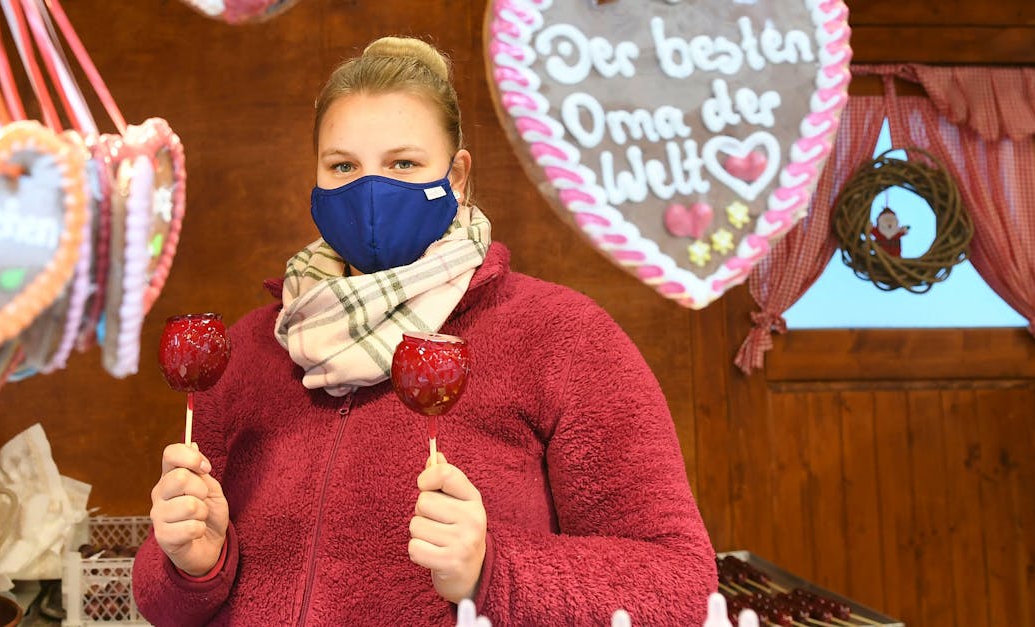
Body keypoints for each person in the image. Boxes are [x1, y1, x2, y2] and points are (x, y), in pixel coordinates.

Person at [132, 36, 716, 626]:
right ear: (314, 180)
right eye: (343, 166)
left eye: (403, 164)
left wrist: (494, 571)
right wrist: (191, 566)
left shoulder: (563, 337)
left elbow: (679, 584)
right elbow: (162, 601)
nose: (369, 191)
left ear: (457, 175)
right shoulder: (253, 350)